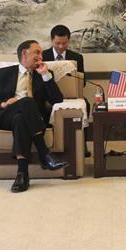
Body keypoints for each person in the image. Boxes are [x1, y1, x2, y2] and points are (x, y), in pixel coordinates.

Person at [0, 40, 69, 193]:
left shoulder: (44, 74)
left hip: (29, 119)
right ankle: (44, 153)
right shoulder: (3, 74)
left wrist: (45, 74)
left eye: (41, 53)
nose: (41, 56)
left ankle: (22, 174)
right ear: (24, 53)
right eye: (37, 52)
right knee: (27, 102)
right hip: (4, 116)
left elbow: (57, 100)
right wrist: (3, 104)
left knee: (21, 119)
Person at [42, 24, 91, 157]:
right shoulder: (43, 56)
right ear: (52, 40)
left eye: (64, 43)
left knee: (86, 104)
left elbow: (82, 81)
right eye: (57, 43)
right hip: (49, 96)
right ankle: (49, 144)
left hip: (72, 96)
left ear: (68, 40)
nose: (61, 46)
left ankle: (82, 143)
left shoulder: (77, 57)